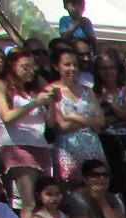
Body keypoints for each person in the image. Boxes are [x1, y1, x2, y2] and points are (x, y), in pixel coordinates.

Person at [0, 47, 56, 218]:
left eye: (33, 67)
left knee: (43, 200)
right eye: (25, 67)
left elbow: (50, 123)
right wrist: (35, 103)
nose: (30, 71)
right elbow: (7, 116)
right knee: (30, 202)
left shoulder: (33, 89)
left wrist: (52, 104)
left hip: (39, 144)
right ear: (11, 66)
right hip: (16, 145)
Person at [50, 48, 106, 187]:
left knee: (96, 186)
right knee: (71, 189)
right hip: (68, 149)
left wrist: (73, 117)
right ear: (56, 66)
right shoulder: (52, 90)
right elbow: (62, 126)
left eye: (75, 64)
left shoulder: (87, 90)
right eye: (67, 64)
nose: (72, 68)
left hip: (92, 146)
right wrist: (89, 121)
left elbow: (101, 121)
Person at [93, 53, 126, 185]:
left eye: (111, 67)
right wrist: (119, 116)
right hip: (105, 142)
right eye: (103, 68)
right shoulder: (92, 92)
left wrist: (109, 102)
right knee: (113, 182)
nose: (108, 72)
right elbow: (97, 123)